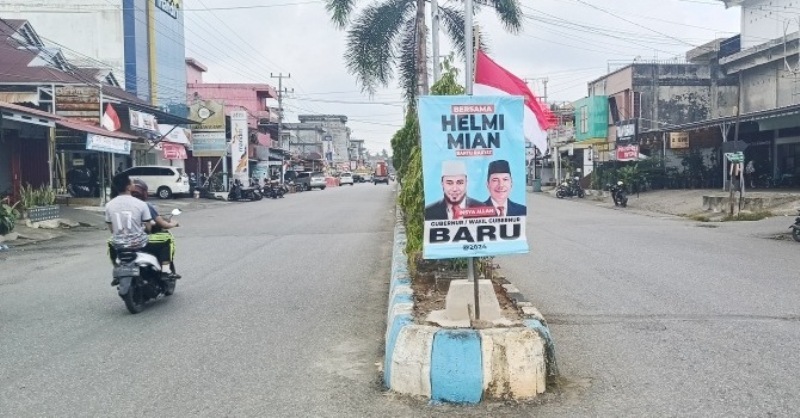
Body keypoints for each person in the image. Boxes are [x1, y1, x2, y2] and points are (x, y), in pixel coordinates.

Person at [105, 173, 152, 284]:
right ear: (128, 187)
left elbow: (111, 229)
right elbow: (148, 227)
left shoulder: (109, 205)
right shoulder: (141, 204)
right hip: (138, 243)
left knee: (111, 245)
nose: (133, 184)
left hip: (118, 244)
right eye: (131, 182)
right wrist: (146, 230)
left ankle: (117, 269)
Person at [130, 179, 181, 279]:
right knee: (167, 241)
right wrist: (174, 223)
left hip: (123, 242)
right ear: (144, 193)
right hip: (142, 241)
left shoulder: (117, 204)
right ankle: (165, 271)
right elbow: (161, 225)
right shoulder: (145, 206)